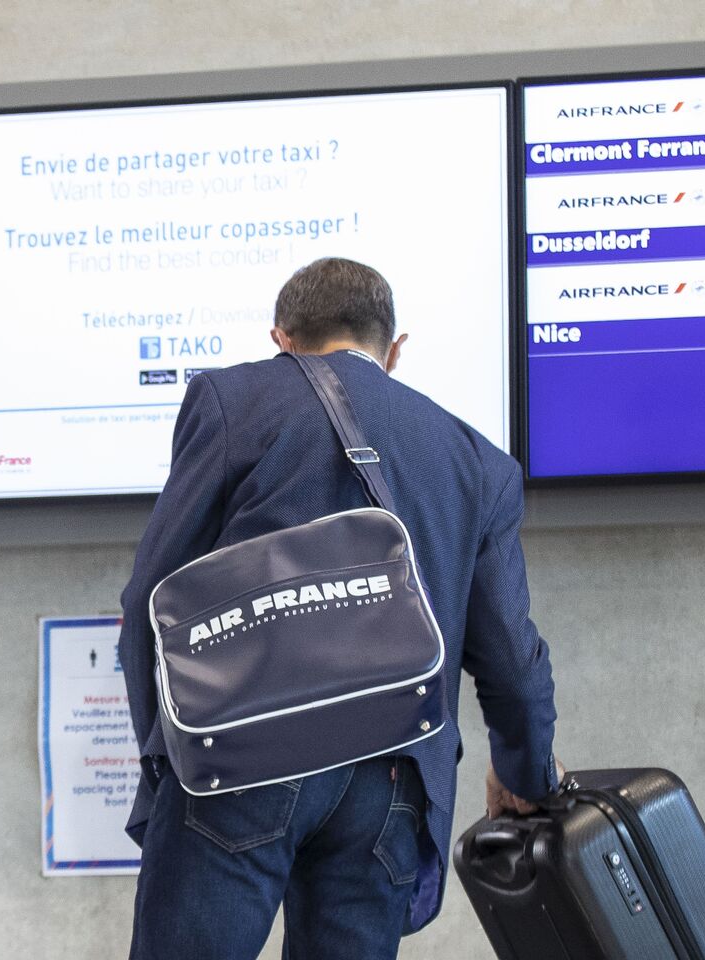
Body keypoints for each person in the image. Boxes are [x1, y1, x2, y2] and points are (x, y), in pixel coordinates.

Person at [115, 258, 561, 959]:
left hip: (240, 759)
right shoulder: (478, 460)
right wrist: (525, 772)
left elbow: (149, 599)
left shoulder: (232, 400)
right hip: (390, 781)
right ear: (395, 350)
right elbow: (510, 654)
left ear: (281, 338)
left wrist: (167, 752)